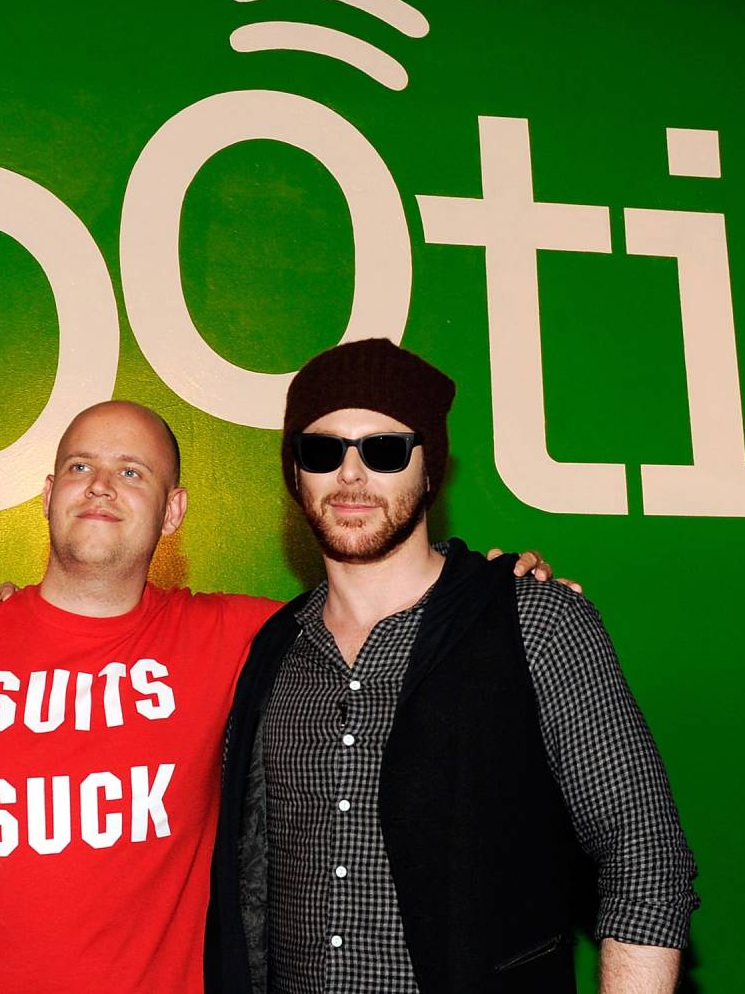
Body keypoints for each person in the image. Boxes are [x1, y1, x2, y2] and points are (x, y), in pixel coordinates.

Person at [0, 398, 562, 994]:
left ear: (173, 512)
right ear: (48, 495)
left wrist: (495, 592)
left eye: (132, 471)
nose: (101, 484)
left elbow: (388, 611)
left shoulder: (244, 636)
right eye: (79, 465)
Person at [207, 339, 699, 994]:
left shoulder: (535, 621)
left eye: (383, 449)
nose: (351, 476)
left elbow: (644, 849)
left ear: (430, 467)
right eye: (323, 450)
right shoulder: (272, 651)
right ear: (295, 473)